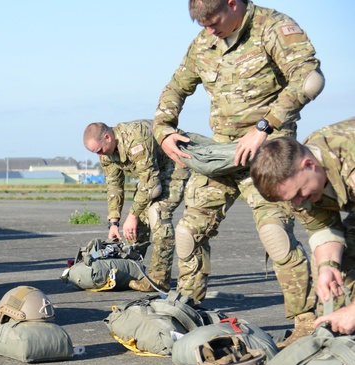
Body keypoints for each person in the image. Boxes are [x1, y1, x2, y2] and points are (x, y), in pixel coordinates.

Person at [153, 0, 325, 343]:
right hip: (221, 154)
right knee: (189, 233)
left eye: (213, 21)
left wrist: (265, 125)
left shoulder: (272, 27)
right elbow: (176, 86)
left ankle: (305, 322)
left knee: (275, 235)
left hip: (269, 151)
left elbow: (309, 79)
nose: (208, 30)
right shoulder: (205, 40)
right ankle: (190, 310)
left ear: (234, 4)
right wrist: (164, 129)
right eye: (201, 24)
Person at [250, 119, 355, 333]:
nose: (298, 202)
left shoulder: (350, 162)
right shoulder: (301, 181)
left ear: (308, 165)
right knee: (342, 264)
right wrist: (328, 266)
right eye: (290, 199)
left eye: (299, 193)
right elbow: (323, 227)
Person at [84, 120, 189, 291]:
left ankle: (159, 279)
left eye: (99, 150)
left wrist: (131, 216)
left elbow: (151, 184)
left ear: (107, 137)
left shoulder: (135, 138)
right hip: (154, 172)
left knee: (158, 214)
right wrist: (114, 223)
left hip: (177, 163)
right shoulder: (107, 154)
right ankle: (133, 271)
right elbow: (114, 186)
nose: (99, 155)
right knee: (139, 220)